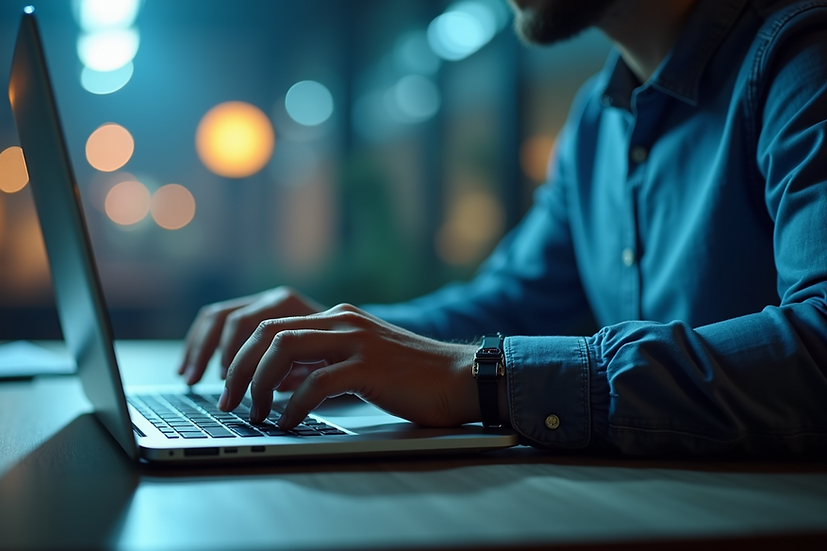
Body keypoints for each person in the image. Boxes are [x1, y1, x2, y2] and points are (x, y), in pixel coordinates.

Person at [177, 0, 827, 455]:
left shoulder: (802, 56)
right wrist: (339, 338)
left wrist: (486, 377)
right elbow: (513, 300)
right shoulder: (598, 122)